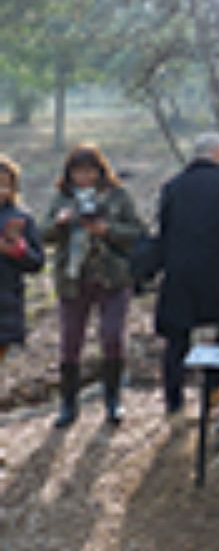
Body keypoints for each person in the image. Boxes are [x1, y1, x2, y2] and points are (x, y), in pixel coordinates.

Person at [154, 132, 219, 417]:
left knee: (177, 338)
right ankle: (215, 392)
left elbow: (163, 231)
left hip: (181, 271)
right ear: (217, 154)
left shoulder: (172, 186)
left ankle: (173, 401)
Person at [41, 144, 145, 428]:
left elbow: (138, 233)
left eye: (89, 170)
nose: (84, 177)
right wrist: (60, 223)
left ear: (100, 171)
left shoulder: (118, 196)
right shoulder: (62, 198)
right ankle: (67, 404)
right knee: (70, 342)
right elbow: (42, 234)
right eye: (78, 171)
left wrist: (107, 230)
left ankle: (113, 399)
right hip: (74, 279)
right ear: (69, 173)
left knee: (112, 336)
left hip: (112, 278)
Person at [0, 154, 45, 364]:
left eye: (5, 185)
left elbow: (37, 262)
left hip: (5, 303)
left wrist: (18, 251)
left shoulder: (21, 219)